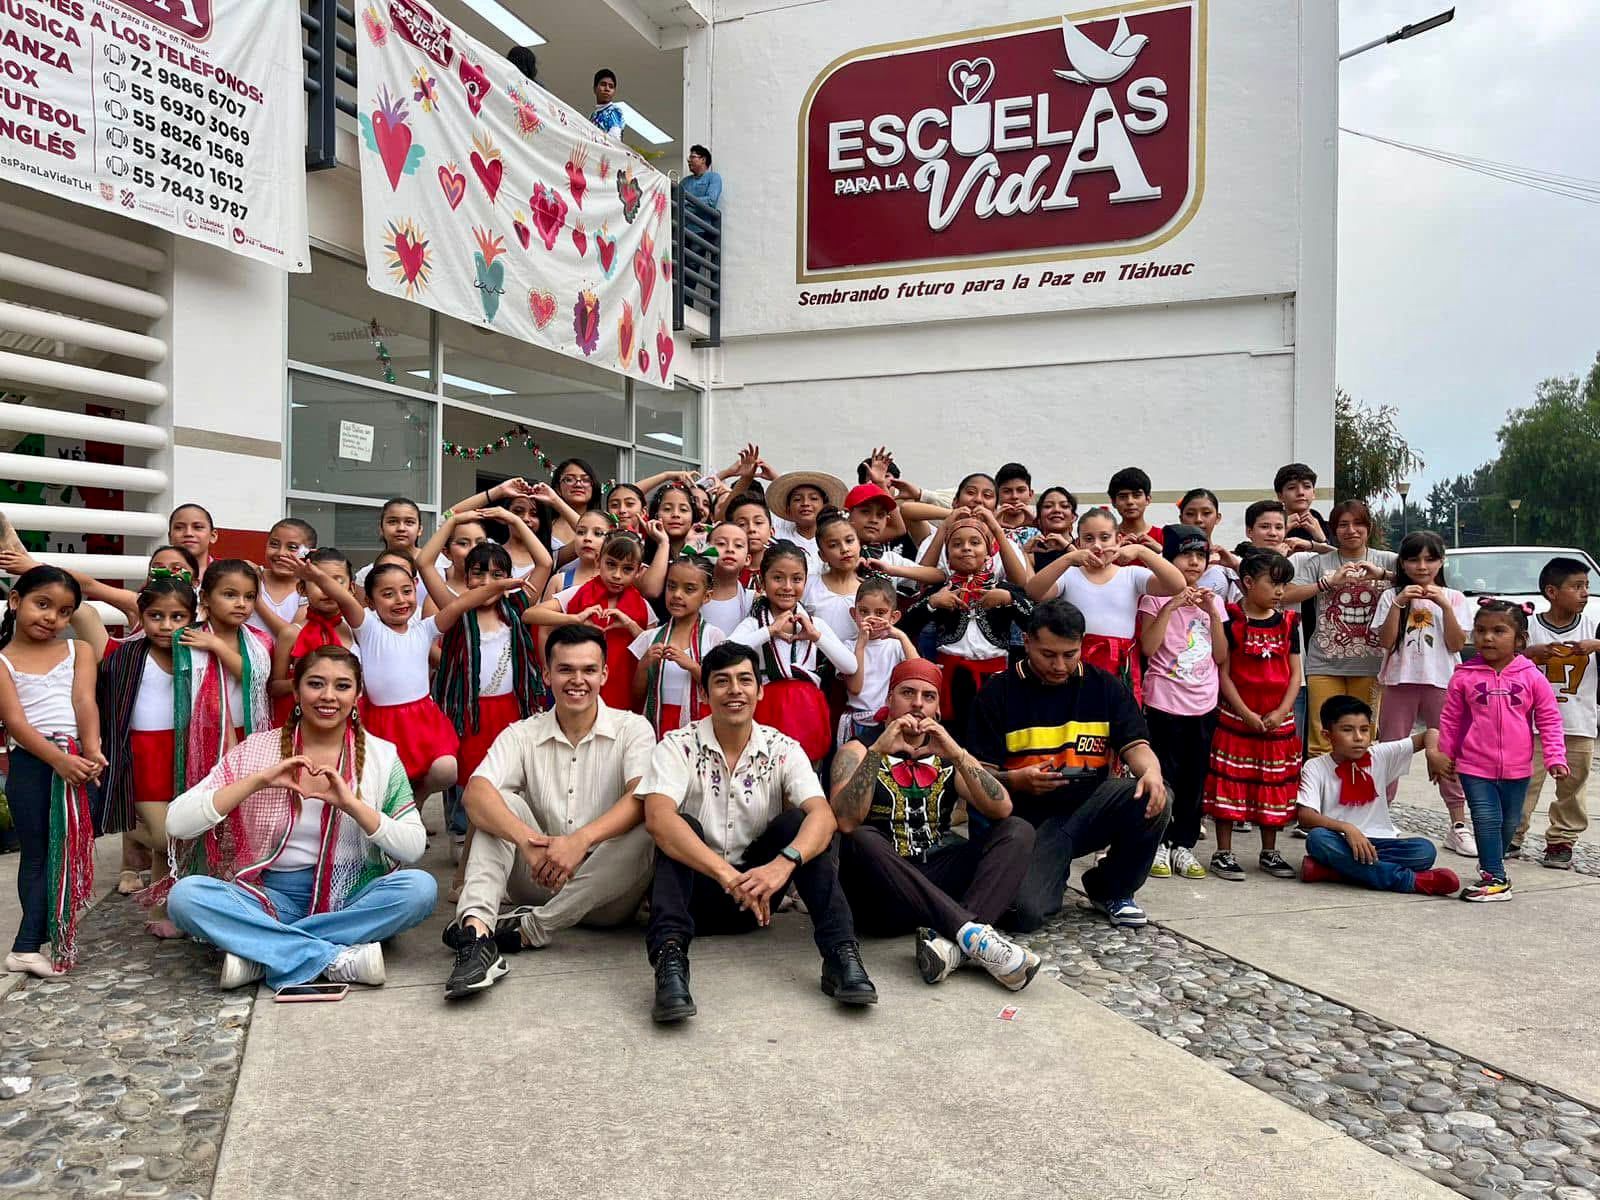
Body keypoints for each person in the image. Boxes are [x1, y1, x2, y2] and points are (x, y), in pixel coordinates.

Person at [165, 646, 435, 991]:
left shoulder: (381, 756)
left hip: (352, 896)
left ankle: (261, 952)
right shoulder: (257, 749)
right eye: (316, 684)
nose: (328, 696)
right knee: (186, 898)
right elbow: (177, 822)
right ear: (296, 690)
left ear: (358, 694)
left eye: (342, 686)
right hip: (268, 896)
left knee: (420, 889)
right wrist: (258, 781)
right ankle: (334, 958)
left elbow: (412, 847)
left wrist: (353, 805)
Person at [639, 641, 878, 1023]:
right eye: (722, 681)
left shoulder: (783, 748)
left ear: (760, 690)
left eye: (745, 680)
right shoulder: (677, 746)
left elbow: (824, 816)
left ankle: (840, 956)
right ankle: (670, 964)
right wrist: (726, 876)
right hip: (694, 900)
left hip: (758, 898)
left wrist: (782, 866)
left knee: (800, 824)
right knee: (680, 826)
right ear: (705, 693)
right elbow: (657, 818)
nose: (735, 690)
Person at [441, 626, 657, 998]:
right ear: (547, 674)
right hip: (539, 875)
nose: (577, 680)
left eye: (589, 670)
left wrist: (581, 841)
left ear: (604, 674)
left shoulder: (632, 728)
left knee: (654, 818)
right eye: (565, 670)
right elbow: (475, 794)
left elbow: (640, 797)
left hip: (607, 892)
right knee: (498, 801)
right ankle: (476, 938)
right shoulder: (523, 733)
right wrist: (527, 842)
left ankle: (535, 928)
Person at [831, 660, 1038, 989]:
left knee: (1018, 830)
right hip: (882, 890)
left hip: (936, 876)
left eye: (929, 696)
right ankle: (970, 931)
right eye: (907, 693)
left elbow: (1002, 808)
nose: (917, 703)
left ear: (938, 708)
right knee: (861, 838)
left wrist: (956, 753)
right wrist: (877, 752)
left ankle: (952, 947)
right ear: (889, 698)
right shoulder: (857, 750)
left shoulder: (946, 754)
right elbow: (844, 820)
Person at [968, 599, 1169, 931]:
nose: (1059, 665)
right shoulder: (997, 692)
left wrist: (1152, 772)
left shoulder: (1104, 686)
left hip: (1090, 806)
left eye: (1070, 654)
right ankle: (1049, 873)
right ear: (1027, 642)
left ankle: (1112, 888)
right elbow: (977, 777)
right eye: (1048, 655)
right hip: (1028, 822)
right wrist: (1014, 780)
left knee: (1155, 795)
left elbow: (1137, 746)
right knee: (1023, 913)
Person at [0, 567, 104, 976]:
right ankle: (26, 946)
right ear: (15, 601)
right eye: (42, 605)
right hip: (32, 765)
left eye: (64, 611)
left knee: (70, 848)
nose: (51, 618)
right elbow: (16, 723)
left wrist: (92, 750)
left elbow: (85, 703)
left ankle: (51, 930)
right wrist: (57, 760)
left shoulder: (79, 650)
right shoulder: (3, 662)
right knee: (39, 853)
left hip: (78, 761)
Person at [1439, 600, 1568, 902]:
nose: (1487, 638)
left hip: (1518, 767)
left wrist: (1555, 757)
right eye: (1481, 630)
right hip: (1473, 766)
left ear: (1519, 639)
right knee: (1486, 818)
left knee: (1509, 823)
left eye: (1499, 631)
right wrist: (1445, 755)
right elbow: (1451, 719)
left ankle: (1494, 866)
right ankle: (1495, 876)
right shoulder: (1464, 676)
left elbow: (1549, 718)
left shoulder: (1531, 676)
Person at [96, 577, 200, 937]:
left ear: (193, 618)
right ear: (140, 615)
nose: (166, 626)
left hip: (186, 751)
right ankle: (126, 823)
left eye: (177, 617)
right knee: (166, 838)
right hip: (141, 754)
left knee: (170, 841)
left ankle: (160, 912)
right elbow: (81, 612)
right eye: (156, 616)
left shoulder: (200, 653)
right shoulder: (126, 654)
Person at [1371, 531, 1475, 856]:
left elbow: (1458, 644)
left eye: (1430, 559)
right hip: (1399, 682)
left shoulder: (1455, 597)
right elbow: (1386, 642)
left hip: (1443, 683)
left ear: (1441, 562)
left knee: (1447, 750)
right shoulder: (1392, 596)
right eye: (1414, 559)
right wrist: (1399, 604)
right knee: (1391, 750)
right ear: (1402, 563)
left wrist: (1442, 604)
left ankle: (1458, 824)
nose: (1422, 566)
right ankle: (1378, 819)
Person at [1296, 695, 1461, 896]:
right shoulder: (1316, 766)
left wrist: (1432, 753)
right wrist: (1348, 829)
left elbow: (1431, 732)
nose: (1358, 737)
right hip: (1341, 841)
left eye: (1364, 730)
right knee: (1317, 839)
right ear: (1326, 735)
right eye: (1347, 730)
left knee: (1424, 850)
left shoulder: (1379, 755)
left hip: (1381, 843)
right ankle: (1411, 881)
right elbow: (1305, 816)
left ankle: (1333, 872)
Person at [1204, 550, 1302, 880]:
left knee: (1271, 784)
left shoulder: (1290, 623)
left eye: (1284, 585)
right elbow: (1224, 673)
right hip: (1236, 720)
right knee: (1230, 783)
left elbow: (1295, 675)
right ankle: (1223, 853)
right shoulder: (1230, 621)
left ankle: (1270, 852)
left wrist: (1282, 711)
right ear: (1247, 582)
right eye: (1273, 583)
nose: (1279, 591)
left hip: (1278, 723)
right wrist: (1244, 712)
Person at [1138, 526, 1227, 881]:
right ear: (1168, 558)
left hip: (1203, 702)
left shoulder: (1214, 600)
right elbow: (1148, 647)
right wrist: (1173, 604)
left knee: (1194, 778)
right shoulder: (1154, 597)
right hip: (1164, 699)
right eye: (1185, 555)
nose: (1193, 562)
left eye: (1200, 556)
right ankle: (1156, 841)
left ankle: (1183, 845)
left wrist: (1212, 612)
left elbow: (1221, 654)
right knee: (1164, 775)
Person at [1024, 506, 1185, 701]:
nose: (1097, 546)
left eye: (1105, 537)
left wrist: (1141, 551)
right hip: (1078, 660)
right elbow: (1034, 591)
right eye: (1089, 539)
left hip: (1120, 663)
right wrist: (1068, 558)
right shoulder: (1070, 575)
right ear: (1079, 542)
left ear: (1118, 540)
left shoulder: (1131, 575)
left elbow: (1176, 584)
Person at [902, 510, 1030, 734]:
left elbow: (1035, 622)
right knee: (952, 735)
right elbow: (906, 625)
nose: (966, 548)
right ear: (948, 555)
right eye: (957, 544)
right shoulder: (939, 590)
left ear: (989, 550)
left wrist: (1009, 599)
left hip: (995, 678)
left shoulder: (1005, 590)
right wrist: (932, 603)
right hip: (951, 678)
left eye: (975, 542)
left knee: (992, 732)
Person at [1285, 500, 1398, 755]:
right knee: (1322, 741)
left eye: (1358, 524)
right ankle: (1323, 794)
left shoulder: (1388, 560)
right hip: (1324, 663)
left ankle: (1356, 793)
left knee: (1361, 740)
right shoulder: (1320, 562)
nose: (1351, 530)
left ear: (1369, 528)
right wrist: (1327, 583)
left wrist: (1382, 575)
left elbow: (1423, 578)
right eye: (1343, 525)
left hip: (1371, 664)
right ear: (1334, 530)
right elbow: (1287, 594)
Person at [730, 541, 856, 764]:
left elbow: (850, 666)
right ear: (762, 580)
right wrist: (769, 631)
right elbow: (727, 653)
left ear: (805, 582)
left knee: (804, 782)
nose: (787, 586)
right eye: (778, 578)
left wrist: (816, 637)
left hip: (807, 714)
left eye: (796, 579)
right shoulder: (754, 624)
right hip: (766, 711)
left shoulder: (814, 625)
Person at [1516, 557, 1599, 866]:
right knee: (1524, 782)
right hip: (1531, 725)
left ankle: (1562, 840)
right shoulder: (1529, 626)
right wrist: (1529, 654)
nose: (1584, 593)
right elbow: (1502, 659)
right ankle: (1513, 834)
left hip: (1579, 723)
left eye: (1587, 586)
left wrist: (1596, 645)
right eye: (1576, 587)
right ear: (1552, 591)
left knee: (1573, 787)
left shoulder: (1594, 626)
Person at [531, 529, 651, 711]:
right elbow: (531, 614)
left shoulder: (643, 606)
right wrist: (575, 618)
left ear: (639, 571)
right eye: (611, 564)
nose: (617, 575)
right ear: (598, 561)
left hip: (622, 688)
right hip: (578, 681)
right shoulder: (578, 592)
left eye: (627, 569)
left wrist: (630, 625)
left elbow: (651, 651)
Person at [631, 550, 726, 739]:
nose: (677, 595)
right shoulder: (649, 638)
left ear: (706, 596)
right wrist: (643, 665)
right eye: (671, 586)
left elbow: (720, 687)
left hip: (700, 722)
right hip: (657, 722)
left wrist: (691, 666)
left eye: (689, 589)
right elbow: (636, 696)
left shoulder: (714, 637)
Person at [838, 576, 916, 747]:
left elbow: (918, 672)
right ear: (854, 613)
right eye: (864, 612)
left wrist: (901, 635)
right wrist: (860, 646)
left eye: (880, 613)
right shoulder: (848, 646)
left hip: (889, 721)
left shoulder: (895, 645)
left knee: (882, 769)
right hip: (857, 723)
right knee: (858, 769)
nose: (871, 618)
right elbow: (855, 688)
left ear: (893, 617)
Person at [247, 519, 314, 638]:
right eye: (274, 544)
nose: (281, 552)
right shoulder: (249, 576)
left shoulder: (309, 591)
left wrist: (256, 599)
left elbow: (294, 638)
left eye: (292, 547)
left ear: (310, 553)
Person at [701, 521, 753, 634]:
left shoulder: (753, 600)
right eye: (721, 543)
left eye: (738, 545)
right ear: (706, 552)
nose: (730, 549)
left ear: (748, 559)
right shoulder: (693, 596)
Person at [1107, 467, 1161, 549]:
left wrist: (1162, 553)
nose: (1130, 501)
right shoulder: (1105, 539)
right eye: (1123, 496)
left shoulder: (1163, 537)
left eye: (1136, 495)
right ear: (1113, 502)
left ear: (1148, 499)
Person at [167, 503, 218, 580]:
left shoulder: (227, 573)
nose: (188, 533)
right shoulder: (162, 576)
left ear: (213, 536)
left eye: (198, 527)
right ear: (170, 537)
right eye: (179, 527)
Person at [682, 143, 722, 210]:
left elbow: (711, 201)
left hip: (702, 220)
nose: (689, 160)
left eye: (692, 157)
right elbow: (678, 200)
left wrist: (687, 201)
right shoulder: (684, 181)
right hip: (684, 220)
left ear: (703, 160)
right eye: (689, 157)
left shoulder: (713, 178)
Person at [590, 68, 625, 137]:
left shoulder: (614, 111)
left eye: (611, 86)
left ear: (614, 92)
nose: (607, 89)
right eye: (603, 84)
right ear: (595, 89)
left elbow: (614, 139)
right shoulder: (593, 116)